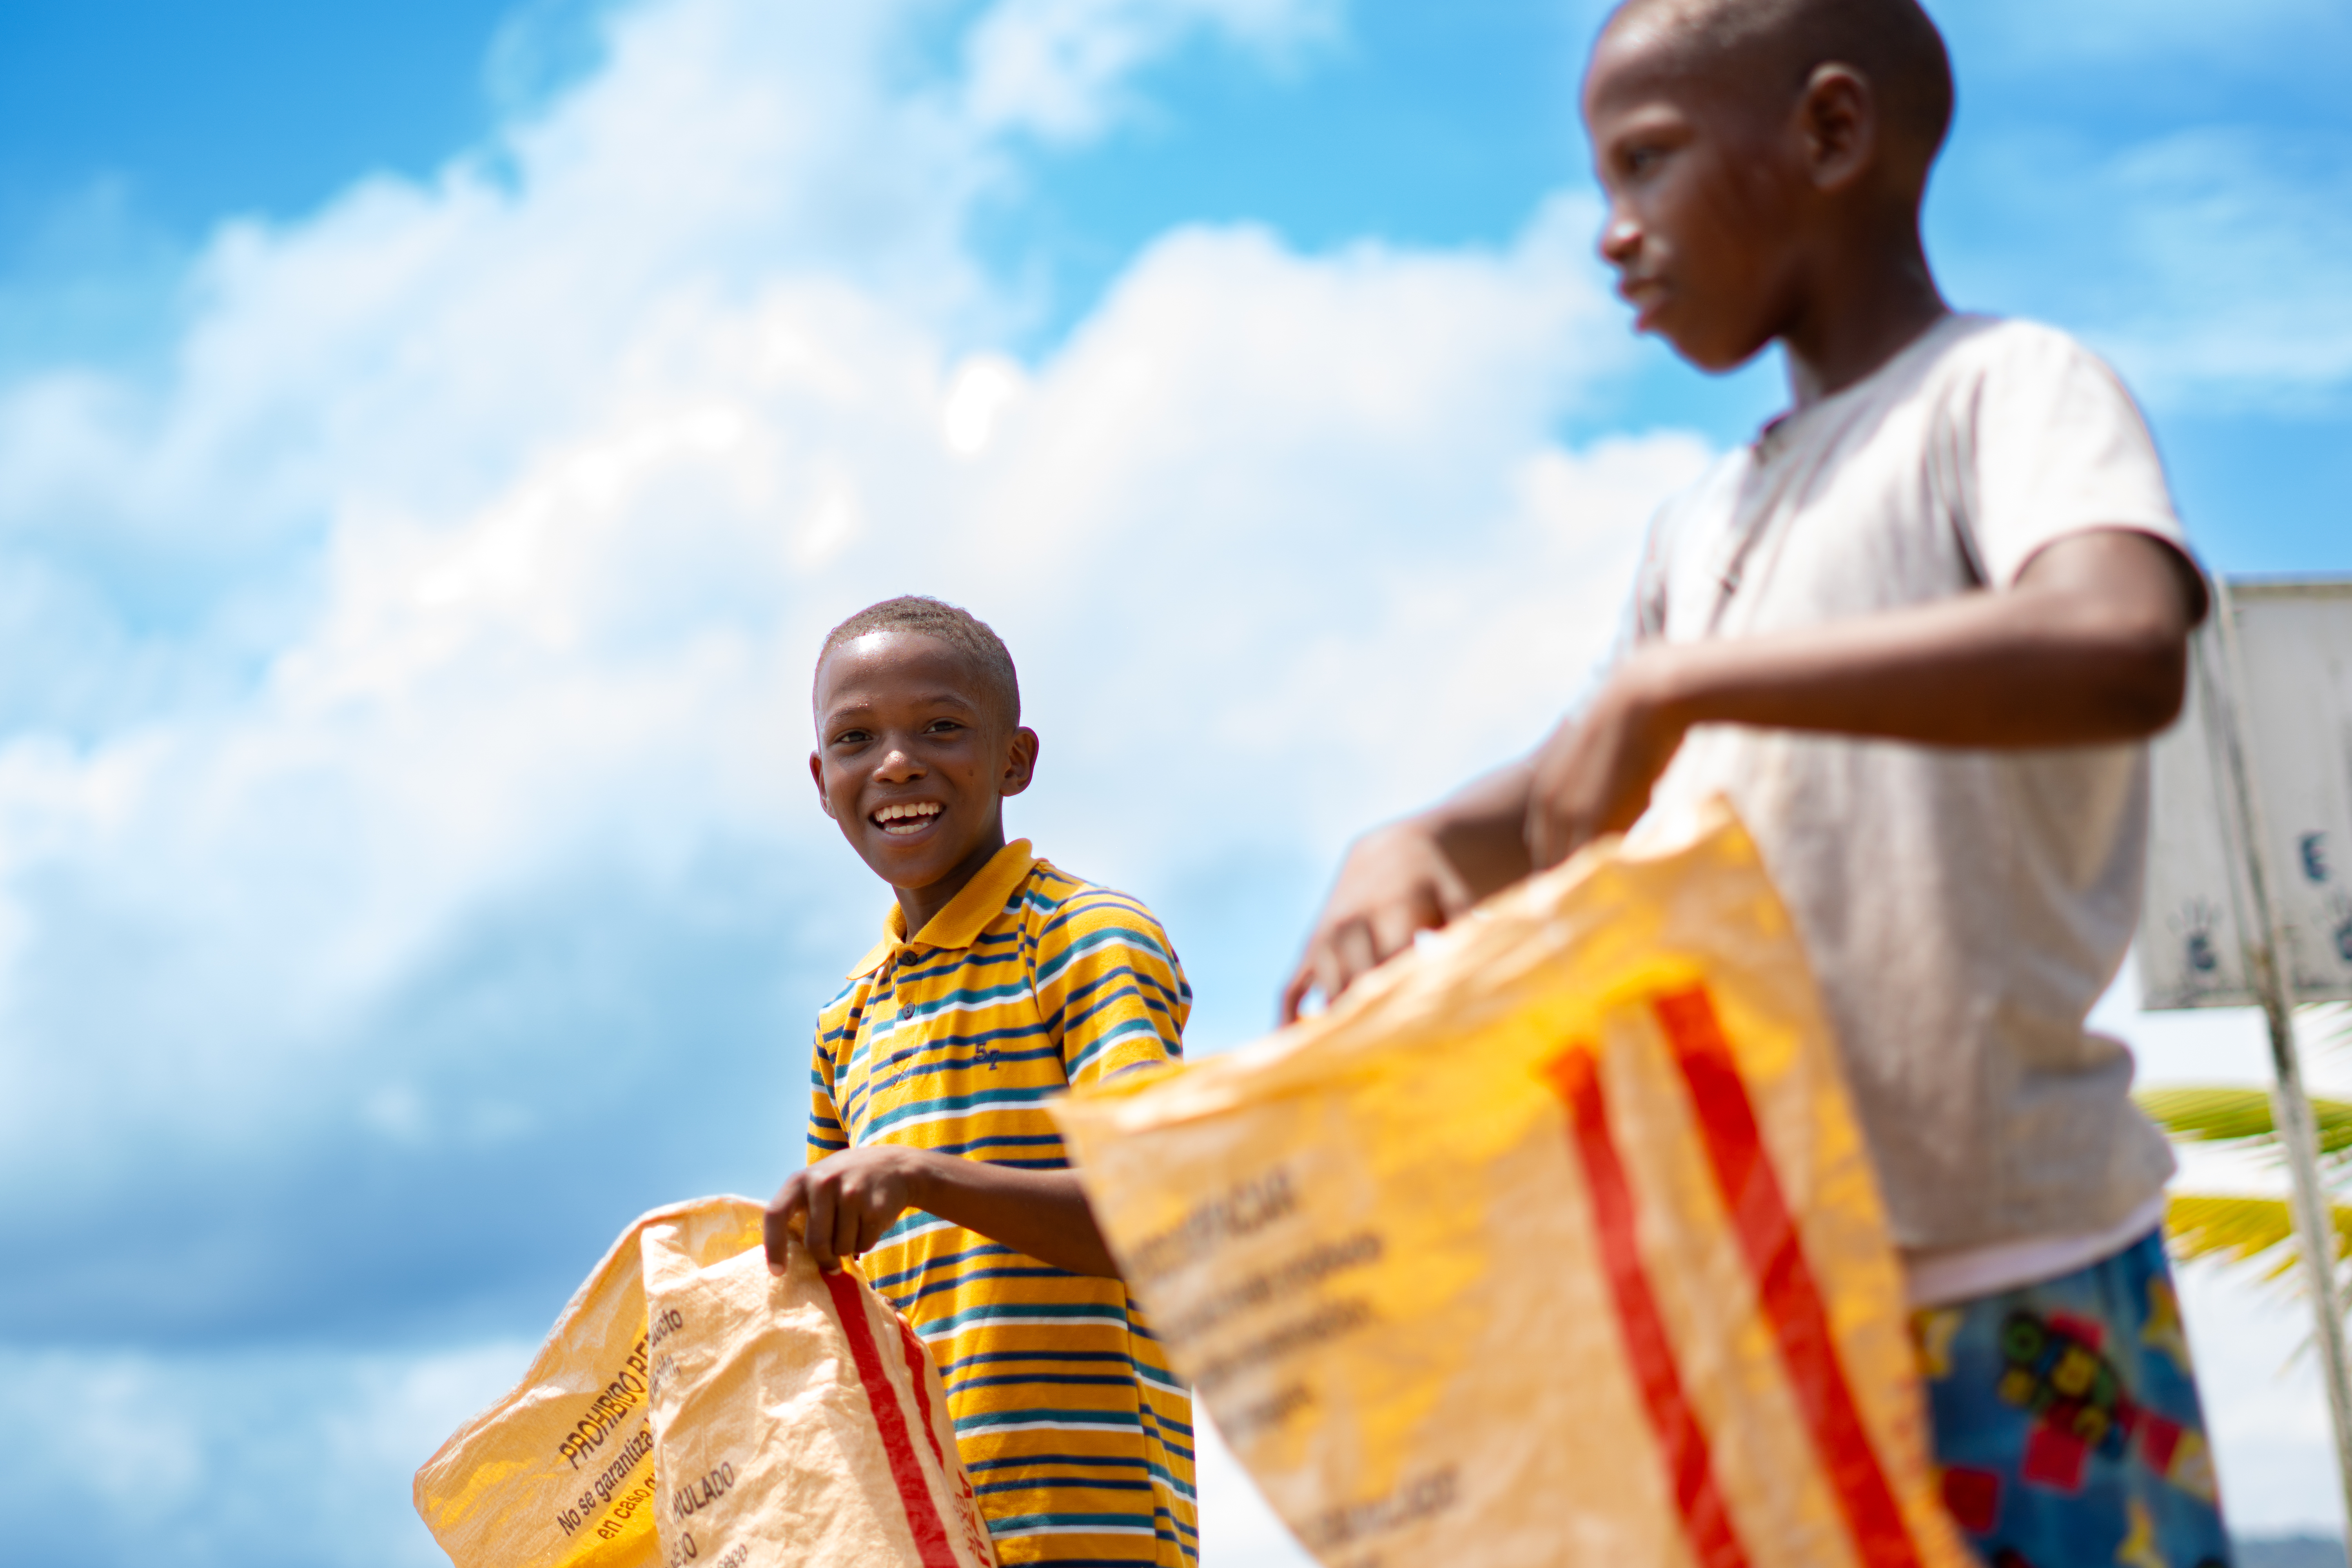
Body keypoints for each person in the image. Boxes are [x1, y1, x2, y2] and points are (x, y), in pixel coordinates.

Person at [1281, 2, 2229, 1563]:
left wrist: (1682, 680)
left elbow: (2119, 641)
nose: (1610, 235)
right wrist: (1415, 840)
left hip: (2013, 1273)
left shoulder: (2007, 393)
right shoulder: (1706, 521)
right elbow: (1590, 777)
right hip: (1759, 1306)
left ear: (1833, 135)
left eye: (1644, 164)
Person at [766, 596, 1197, 1568]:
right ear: (820, 779)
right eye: (855, 737)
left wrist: (921, 1176)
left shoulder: (1083, 939)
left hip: (1092, 1529)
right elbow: (836, 1320)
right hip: (918, 1539)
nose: (897, 763)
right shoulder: (851, 1019)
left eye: (942, 727)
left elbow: (1158, 1215)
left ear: (1016, 759)